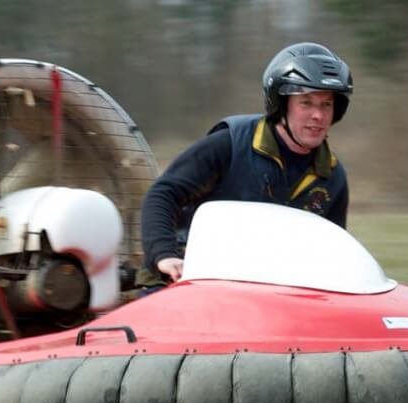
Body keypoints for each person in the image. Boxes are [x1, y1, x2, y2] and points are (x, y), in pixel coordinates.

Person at [139, 42, 353, 287]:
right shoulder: (230, 144)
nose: (319, 115)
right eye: (306, 102)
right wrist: (165, 256)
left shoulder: (332, 177)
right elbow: (163, 194)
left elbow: (333, 251)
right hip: (187, 280)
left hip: (267, 291)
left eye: (326, 104)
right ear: (281, 104)